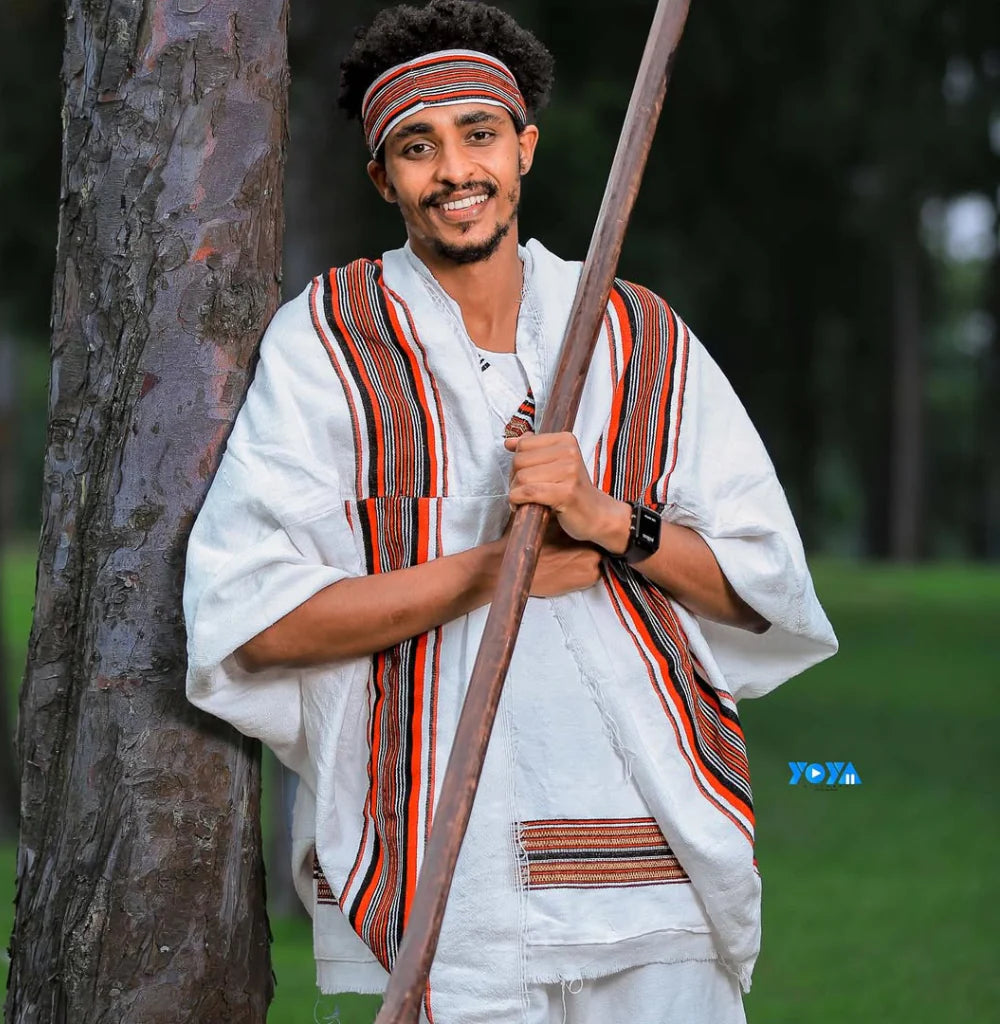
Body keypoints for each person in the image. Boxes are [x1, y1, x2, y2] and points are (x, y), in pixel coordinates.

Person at [182, 2, 838, 1021]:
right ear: (380, 177)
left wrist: (610, 519)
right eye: (415, 146)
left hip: (656, 858)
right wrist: (492, 572)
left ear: (522, 147)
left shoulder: (640, 334)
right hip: (455, 875)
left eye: (477, 133)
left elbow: (763, 592)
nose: (452, 170)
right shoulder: (327, 341)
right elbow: (253, 624)